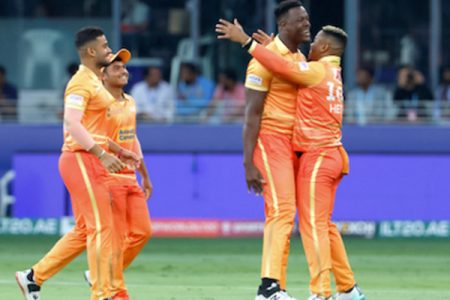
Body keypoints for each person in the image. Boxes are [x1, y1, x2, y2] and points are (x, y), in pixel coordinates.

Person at [216, 20, 366, 300]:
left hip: (318, 157)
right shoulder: (332, 72)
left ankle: (320, 293)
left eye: (314, 39)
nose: (310, 42)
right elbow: (287, 63)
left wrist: (248, 43)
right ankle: (347, 289)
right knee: (323, 224)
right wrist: (275, 48)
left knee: (312, 225)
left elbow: (285, 69)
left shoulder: (316, 71)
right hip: (330, 153)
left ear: (323, 47)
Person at [15, 27, 137, 300]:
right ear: (91, 51)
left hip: (90, 157)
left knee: (86, 229)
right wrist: (101, 153)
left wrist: (116, 149)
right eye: (105, 46)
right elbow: (72, 123)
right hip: (81, 159)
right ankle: (102, 293)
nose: (109, 50)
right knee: (101, 227)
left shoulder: (94, 82)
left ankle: (33, 277)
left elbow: (94, 127)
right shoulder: (81, 82)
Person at [222, 1, 310, 299]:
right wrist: (248, 162)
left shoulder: (298, 56)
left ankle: (276, 287)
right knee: (282, 211)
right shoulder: (262, 60)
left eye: (307, 19)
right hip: (271, 140)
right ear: (284, 25)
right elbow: (252, 114)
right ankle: (269, 286)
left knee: (284, 213)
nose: (307, 24)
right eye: (301, 20)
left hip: (295, 143)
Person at [84, 53, 153, 300]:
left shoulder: (130, 101)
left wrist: (144, 173)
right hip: (108, 174)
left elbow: (132, 138)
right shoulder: (98, 104)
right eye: (116, 68)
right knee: (114, 236)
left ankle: (101, 274)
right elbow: (98, 138)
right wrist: (120, 153)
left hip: (130, 176)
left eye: (124, 67)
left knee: (143, 232)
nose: (123, 71)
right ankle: (115, 291)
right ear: (103, 75)